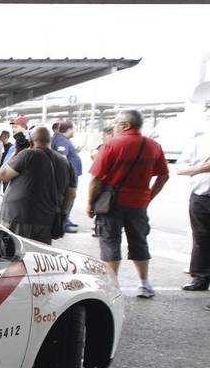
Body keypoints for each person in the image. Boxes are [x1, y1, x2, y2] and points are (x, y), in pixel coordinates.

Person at [87, 110, 169, 298]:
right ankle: (144, 284)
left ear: (125, 125)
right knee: (139, 241)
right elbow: (163, 176)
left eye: (116, 123)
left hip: (111, 205)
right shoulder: (154, 146)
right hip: (139, 205)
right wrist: (148, 197)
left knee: (110, 242)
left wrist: (90, 204)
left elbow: (96, 179)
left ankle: (112, 287)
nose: (114, 126)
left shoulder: (111, 145)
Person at [0, 126, 76, 245]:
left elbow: (3, 175)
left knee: (16, 256)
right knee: (39, 259)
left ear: (31, 141)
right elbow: (72, 194)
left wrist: (16, 153)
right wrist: (62, 212)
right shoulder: (65, 162)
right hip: (47, 220)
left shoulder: (28, 154)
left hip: (20, 218)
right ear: (50, 140)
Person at [174, 130, 210, 297]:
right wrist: (202, 167)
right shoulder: (199, 141)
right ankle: (200, 278)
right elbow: (180, 168)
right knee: (201, 238)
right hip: (201, 196)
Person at [52, 120, 83, 232]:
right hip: (68, 177)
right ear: (69, 129)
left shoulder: (63, 140)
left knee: (68, 198)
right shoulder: (61, 140)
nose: (74, 131)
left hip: (70, 175)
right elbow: (62, 158)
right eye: (74, 128)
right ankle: (63, 223)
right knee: (67, 198)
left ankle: (66, 220)